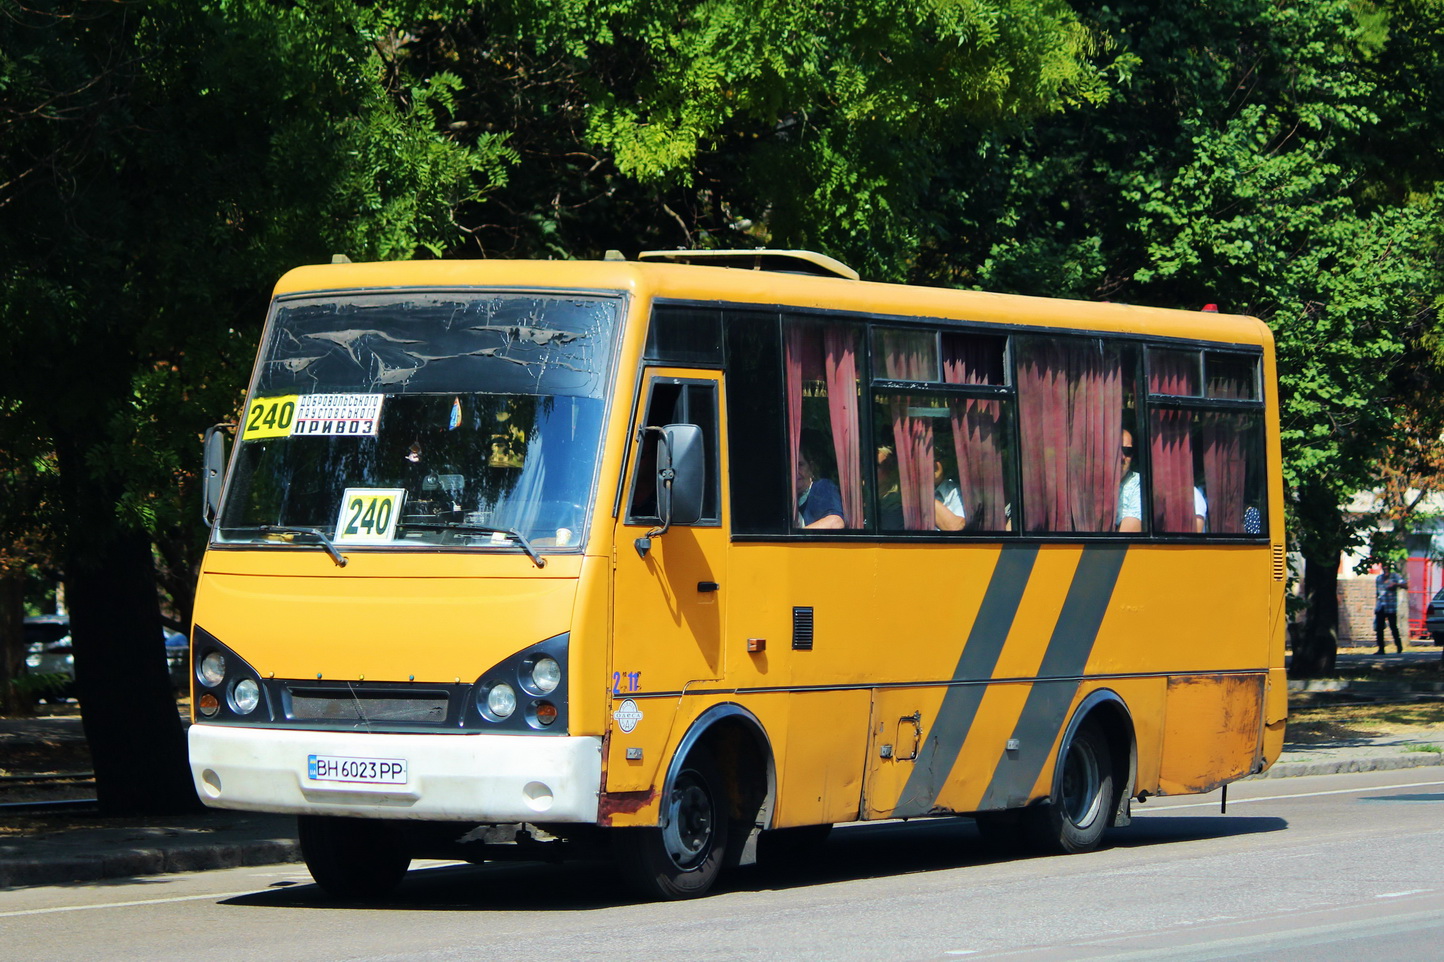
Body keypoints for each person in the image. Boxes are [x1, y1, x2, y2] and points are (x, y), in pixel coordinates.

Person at [796, 447, 845, 528]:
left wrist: (795, 538)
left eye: (800, 465)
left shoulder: (821, 487)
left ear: (811, 467)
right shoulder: (788, 500)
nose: (796, 471)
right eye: (792, 466)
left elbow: (835, 522)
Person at [1375, 564, 1409, 655]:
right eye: (1384, 568)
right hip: (1380, 606)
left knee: (1393, 627)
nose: (1385, 570)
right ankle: (1381, 649)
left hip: (1391, 607)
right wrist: (1376, 606)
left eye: (1387, 569)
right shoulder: (1379, 578)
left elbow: (1406, 585)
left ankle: (1399, 647)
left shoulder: (1395, 576)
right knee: (1379, 628)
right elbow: (1377, 593)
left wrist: (1396, 584)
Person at [1117, 430, 1142, 533]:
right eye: (1116, 450)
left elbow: (1128, 533)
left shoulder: (1140, 483)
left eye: (1127, 451)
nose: (1122, 457)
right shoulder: (1086, 485)